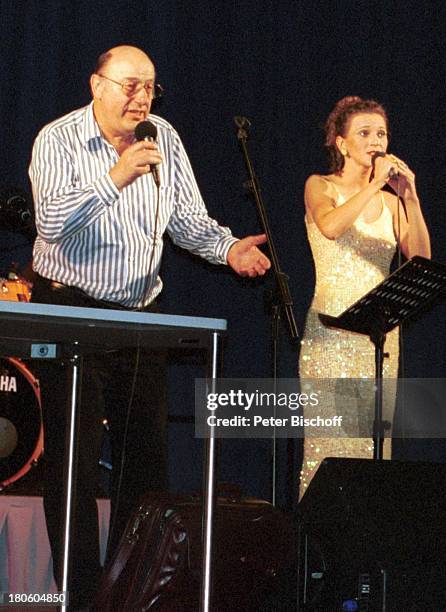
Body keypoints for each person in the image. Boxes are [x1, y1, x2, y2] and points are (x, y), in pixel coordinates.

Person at [28, 45, 270, 607]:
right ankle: (80, 595)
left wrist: (228, 249)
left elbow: (186, 219)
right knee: (75, 467)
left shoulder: (164, 135)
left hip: (141, 317)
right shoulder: (57, 138)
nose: (141, 98)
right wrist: (115, 176)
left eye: (150, 87)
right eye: (130, 85)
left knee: (145, 466)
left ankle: (125, 593)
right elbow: (50, 222)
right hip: (71, 310)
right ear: (97, 84)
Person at [298, 96, 431, 499]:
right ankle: (314, 556)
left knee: (372, 446)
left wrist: (410, 196)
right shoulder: (320, 186)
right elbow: (331, 227)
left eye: (381, 133)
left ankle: (363, 554)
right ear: (341, 144)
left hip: (379, 336)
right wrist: (373, 182)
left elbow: (420, 258)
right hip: (331, 333)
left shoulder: (391, 203)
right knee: (329, 443)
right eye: (365, 133)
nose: (376, 141)